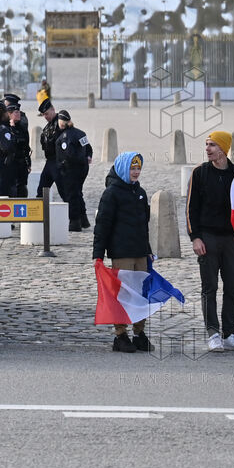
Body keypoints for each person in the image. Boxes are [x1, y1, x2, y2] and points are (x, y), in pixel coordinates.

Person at [186, 131, 234, 352]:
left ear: (224, 149)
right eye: (207, 144)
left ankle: (229, 334)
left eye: (212, 145)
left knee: (233, 287)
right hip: (208, 238)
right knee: (210, 287)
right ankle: (213, 333)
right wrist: (195, 237)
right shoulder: (200, 173)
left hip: (232, 239)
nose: (208, 149)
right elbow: (191, 208)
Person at [92, 151, 152, 353]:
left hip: (140, 252)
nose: (136, 172)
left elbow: (144, 225)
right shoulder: (112, 193)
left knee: (141, 294)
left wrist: (148, 250)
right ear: (123, 169)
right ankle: (120, 334)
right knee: (124, 294)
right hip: (122, 252)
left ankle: (139, 332)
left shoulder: (140, 192)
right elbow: (102, 226)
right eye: (132, 168)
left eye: (138, 168)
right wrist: (98, 255)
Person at [52, 110, 93, 230]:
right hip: (83, 168)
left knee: (72, 195)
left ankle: (75, 222)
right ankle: (84, 219)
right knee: (78, 192)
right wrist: (88, 157)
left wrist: (63, 166)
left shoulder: (65, 137)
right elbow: (88, 148)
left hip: (71, 169)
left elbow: (69, 154)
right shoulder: (80, 133)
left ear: (61, 122)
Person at [34, 98, 59, 198]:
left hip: (59, 161)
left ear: (53, 109)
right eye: (43, 114)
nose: (45, 116)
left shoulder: (61, 123)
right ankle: (40, 207)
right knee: (41, 190)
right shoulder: (48, 127)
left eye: (47, 113)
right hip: (50, 161)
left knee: (65, 191)